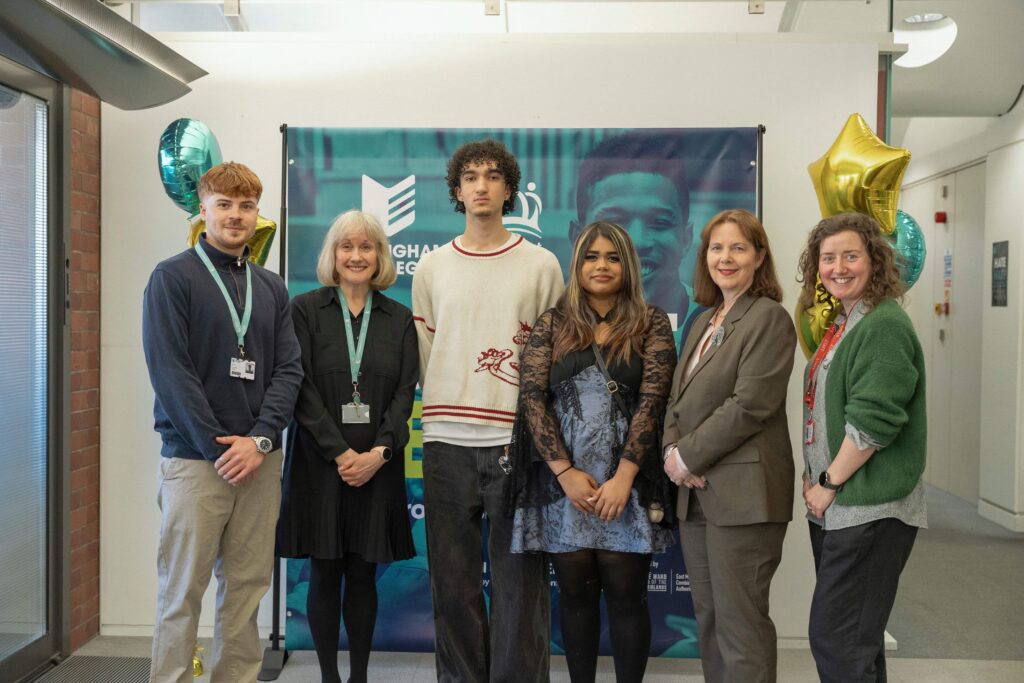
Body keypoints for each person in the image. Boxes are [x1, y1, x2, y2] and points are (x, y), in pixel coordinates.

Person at [142, 162, 303, 683]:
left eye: (246, 206)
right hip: (196, 463)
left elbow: (289, 370)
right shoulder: (172, 277)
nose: (236, 215)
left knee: (246, 590)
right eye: (225, 204)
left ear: (257, 215)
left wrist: (260, 441)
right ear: (203, 209)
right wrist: (222, 450)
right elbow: (172, 373)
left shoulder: (271, 287)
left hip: (260, 463)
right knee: (182, 592)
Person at [411, 139, 563, 683]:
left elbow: (553, 359)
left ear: (508, 189)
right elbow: (427, 354)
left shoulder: (541, 265)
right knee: (452, 585)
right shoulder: (431, 268)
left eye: (493, 176)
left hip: (516, 443)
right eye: (470, 177)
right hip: (445, 442)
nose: (481, 185)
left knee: (520, 583)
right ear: (457, 190)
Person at [509, 220, 677, 683]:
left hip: (629, 484)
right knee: (575, 596)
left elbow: (653, 402)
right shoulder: (553, 323)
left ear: (628, 265)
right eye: (592, 256)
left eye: (613, 257)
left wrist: (623, 479)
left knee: (627, 597)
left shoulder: (651, 322)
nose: (602, 265)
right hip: (565, 486)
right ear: (577, 264)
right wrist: (564, 473)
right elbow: (532, 400)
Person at [276, 210, 418, 683]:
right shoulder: (304, 310)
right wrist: (341, 454)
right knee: (325, 570)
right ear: (332, 255)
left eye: (366, 247)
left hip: (378, 467)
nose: (356, 256)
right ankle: (329, 677)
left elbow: (404, 396)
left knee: (362, 575)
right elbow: (300, 389)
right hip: (320, 466)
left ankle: (358, 676)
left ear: (380, 256)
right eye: (346, 246)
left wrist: (378, 454)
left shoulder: (399, 318)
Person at [662, 209, 795, 683]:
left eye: (738, 247)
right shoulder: (702, 320)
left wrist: (687, 456)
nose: (726, 257)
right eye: (717, 248)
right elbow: (676, 400)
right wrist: (671, 453)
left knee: (741, 627)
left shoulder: (769, 318)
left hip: (744, 499)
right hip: (695, 495)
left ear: (759, 256)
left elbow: (751, 405)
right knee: (711, 621)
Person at [797, 212, 926, 683]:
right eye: (828, 258)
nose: (838, 267)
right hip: (839, 507)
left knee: (839, 642)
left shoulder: (884, 324)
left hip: (868, 506)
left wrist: (829, 482)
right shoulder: (848, 319)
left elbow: (874, 421)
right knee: (856, 644)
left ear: (874, 260)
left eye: (850, 256)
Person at [570, 131, 697, 338]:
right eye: (614, 223)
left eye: (659, 223)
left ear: (686, 238)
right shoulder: (553, 322)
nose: (637, 242)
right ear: (577, 238)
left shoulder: (715, 320)